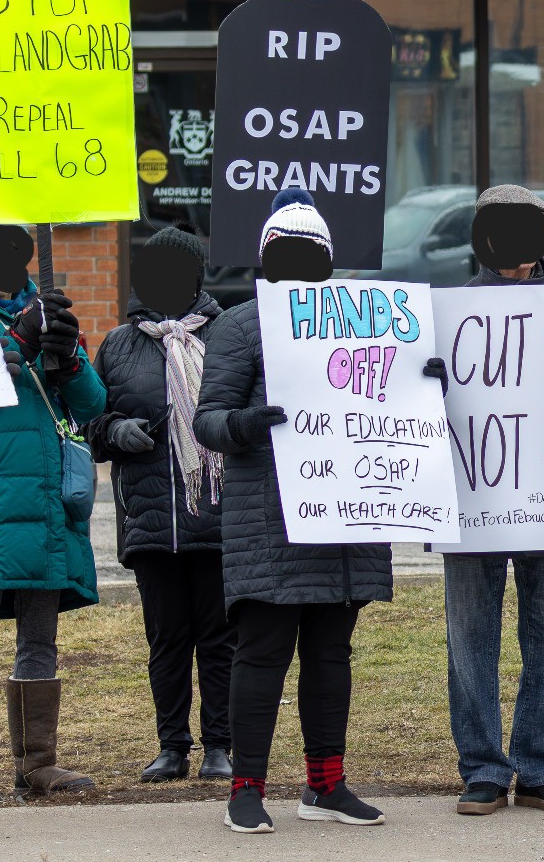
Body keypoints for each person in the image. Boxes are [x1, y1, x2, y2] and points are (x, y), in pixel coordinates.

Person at [196, 189, 392, 834]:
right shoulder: (240, 324)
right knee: (263, 655)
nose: (300, 265)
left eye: (312, 255)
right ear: (264, 260)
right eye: (286, 254)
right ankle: (246, 789)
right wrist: (249, 423)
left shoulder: (366, 320)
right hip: (270, 520)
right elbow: (207, 422)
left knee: (332, 656)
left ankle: (325, 785)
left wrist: (423, 378)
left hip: (346, 513)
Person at [444, 184, 544, 817]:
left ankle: (540, 767)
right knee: (471, 636)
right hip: (474, 496)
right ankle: (483, 769)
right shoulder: (450, 309)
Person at [0, 224, 106, 805]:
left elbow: (93, 406)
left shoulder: (44, 306)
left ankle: (38, 763)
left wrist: (69, 359)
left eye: (18, 247)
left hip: (44, 494)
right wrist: (24, 346)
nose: (10, 258)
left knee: (41, 628)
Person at [89, 225, 233, 785]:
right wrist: (118, 430)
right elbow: (91, 423)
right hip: (151, 519)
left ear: (196, 276)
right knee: (166, 639)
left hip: (219, 515)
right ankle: (172, 746)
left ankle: (220, 746)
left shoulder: (228, 335)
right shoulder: (118, 346)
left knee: (220, 639)